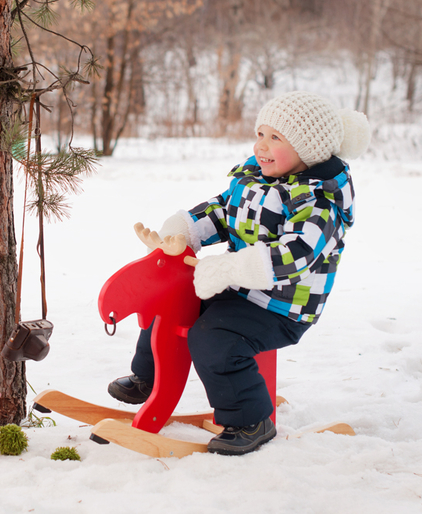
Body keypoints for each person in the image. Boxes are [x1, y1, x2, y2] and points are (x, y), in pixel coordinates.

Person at [108, 91, 371, 455]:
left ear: (308, 150)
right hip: (240, 288)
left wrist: (229, 267)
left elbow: (296, 256)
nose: (261, 146)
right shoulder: (256, 178)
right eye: (260, 133)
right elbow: (222, 213)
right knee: (170, 299)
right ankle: (148, 376)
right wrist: (182, 232)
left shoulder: (319, 202)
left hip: (283, 306)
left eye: (276, 138)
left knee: (214, 337)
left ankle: (250, 419)